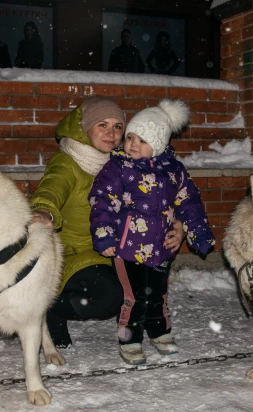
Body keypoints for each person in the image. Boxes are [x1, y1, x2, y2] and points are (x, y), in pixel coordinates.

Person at [30, 96, 184, 349]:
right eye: (102, 125)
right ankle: (48, 309)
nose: (111, 134)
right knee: (111, 297)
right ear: (85, 127)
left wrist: (177, 224)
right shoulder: (68, 162)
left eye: (118, 126)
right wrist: (44, 211)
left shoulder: (126, 163)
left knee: (143, 289)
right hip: (74, 252)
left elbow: (159, 198)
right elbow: (51, 189)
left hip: (116, 249)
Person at [89, 99, 215, 365]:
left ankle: (160, 332)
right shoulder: (118, 168)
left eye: (143, 140)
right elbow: (102, 201)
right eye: (131, 137)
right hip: (127, 247)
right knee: (133, 297)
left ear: (158, 144)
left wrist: (199, 233)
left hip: (163, 247)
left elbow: (190, 202)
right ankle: (130, 339)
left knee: (158, 294)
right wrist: (104, 235)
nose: (133, 144)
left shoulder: (175, 171)